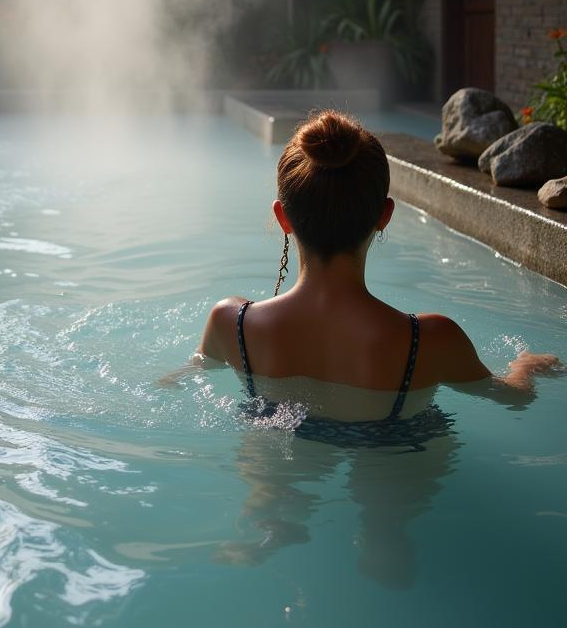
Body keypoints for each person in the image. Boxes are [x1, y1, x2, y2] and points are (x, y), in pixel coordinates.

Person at [194, 109, 561, 433]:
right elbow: (514, 399)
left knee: (270, 504)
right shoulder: (432, 339)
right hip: (395, 449)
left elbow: (183, 379)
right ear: (385, 216)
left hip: (275, 446)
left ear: (283, 218)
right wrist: (526, 366)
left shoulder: (231, 324)